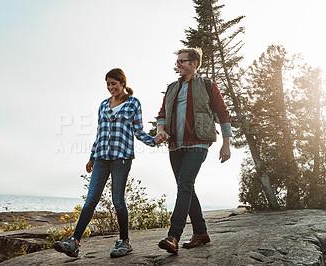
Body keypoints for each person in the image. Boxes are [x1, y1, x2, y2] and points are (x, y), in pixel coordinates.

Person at [54, 68, 163, 258]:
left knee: (118, 200)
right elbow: (100, 133)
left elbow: (138, 131)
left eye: (114, 83)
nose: (111, 87)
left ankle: (125, 241)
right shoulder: (103, 105)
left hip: (122, 157)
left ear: (123, 83)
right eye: (108, 84)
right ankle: (74, 242)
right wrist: (92, 157)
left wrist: (154, 141)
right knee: (90, 200)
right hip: (102, 157)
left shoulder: (133, 103)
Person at [156, 48, 232, 254]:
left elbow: (224, 114)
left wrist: (226, 143)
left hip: (198, 143)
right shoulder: (172, 87)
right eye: (177, 61)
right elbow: (162, 115)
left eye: (182, 61)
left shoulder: (207, 85)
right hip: (175, 146)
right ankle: (201, 232)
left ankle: (173, 236)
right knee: (186, 188)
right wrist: (161, 130)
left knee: (184, 185)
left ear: (194, 64)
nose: (178, 64)